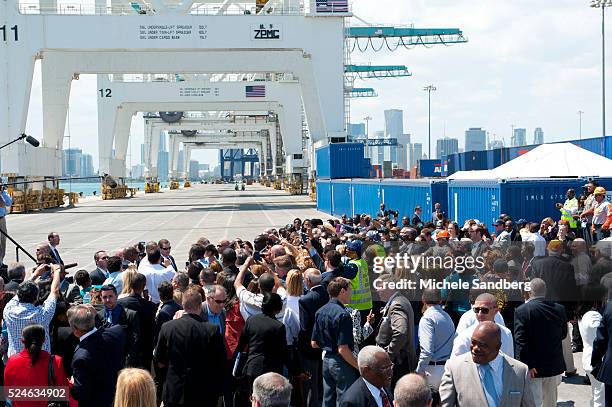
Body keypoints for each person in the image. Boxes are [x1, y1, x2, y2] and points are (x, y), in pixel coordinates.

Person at [154, 288, 226, 406]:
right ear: (199, 305)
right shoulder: (211, 330)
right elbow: (220, 361)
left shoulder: (168, 327)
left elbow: (159, 360)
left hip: (174, 391)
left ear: (183, 305)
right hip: (203, 391)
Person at [439, 321, 535, 406]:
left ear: (498, 346)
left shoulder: (520, 371)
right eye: (473, 342)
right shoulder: (454, 367)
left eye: (483, 345)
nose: (475, 348)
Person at [514, 278, 567, 407]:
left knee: (534, 402)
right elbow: (564, 334)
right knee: (550, 401)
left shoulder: (522, 310)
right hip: (553, 363)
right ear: (545, 291)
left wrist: (528, 364)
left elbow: (520, 340)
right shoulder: (559, 309)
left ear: (530, 292)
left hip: (533, 367)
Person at [312, 277, 359, 406]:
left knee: (327, 400)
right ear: (342, 291)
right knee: (344, 400)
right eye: (349, 290)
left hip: (326, 361)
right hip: (341, 363)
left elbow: (314, 343)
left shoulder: (319, 311)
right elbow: (343, 349)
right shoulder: (343, 315)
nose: (351, 293)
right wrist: (358, 366)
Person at [68, 304, 126, 407]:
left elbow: (81, 393)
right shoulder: (116, 333)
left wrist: (73, 384)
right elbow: (112, 327)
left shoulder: (81, 357)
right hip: (117, 398)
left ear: (76, 331)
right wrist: (97, 315)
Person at [4, 324, 70, 407]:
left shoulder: (11, 361)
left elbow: (8, 392)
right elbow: (63, 392)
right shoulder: (56, 361)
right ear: (44, 340)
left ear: (22, 340)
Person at [237, 292, 292, 389]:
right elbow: (284, 353)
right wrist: (296, 371)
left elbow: (241, 345)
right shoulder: (278, 326)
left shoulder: (251, 320)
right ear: (278, 307)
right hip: (271, 372)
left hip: (252, 368)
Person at [4, 264, 60, 356]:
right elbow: (55, 291)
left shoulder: (9, 310)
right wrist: (57, 270)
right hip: (41, 362)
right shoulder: (43, 314)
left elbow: (20, 291)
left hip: (16, 362)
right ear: (36, 298)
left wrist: (34, 275)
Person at [375, 274, 416, 389]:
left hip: (398, 364)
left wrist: (388, 355)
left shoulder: (397, 304)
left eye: (380, 286)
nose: (377, 290)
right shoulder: (399, 300)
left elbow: (401, 332)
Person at [298, 268, 329, 407]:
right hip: (328, 345)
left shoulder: (305, 300)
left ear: (308, 281)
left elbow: (304, 328)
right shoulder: (329, 294)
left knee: (311, 385)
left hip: (310, 348)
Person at [451, 293, 514, 358]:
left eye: (484, 310)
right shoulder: (465, 337)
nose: (480, 314)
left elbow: (510, 361)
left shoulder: (506, 333)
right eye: (476, 310)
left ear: (495, 311)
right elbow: (455, 363)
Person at [415, 288, 455, 390]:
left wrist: (419, 371)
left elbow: (427, 351)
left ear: (423, 300)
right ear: (440, 300)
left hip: (432, 372)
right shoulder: (447, 316)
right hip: (448, 370)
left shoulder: (427, 318)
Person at [117, 273, 155, 371]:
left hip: (126, 348)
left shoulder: (120, 303)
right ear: (143, 287)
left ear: (130, 285)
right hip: (144, 349)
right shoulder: (150, 306)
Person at [577, 284, 606, 407]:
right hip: (596, 360)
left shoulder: (584, 313)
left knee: (596, 394)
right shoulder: (593, 315)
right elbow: (599, 339)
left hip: (589, 358)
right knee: (600, 398)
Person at [98, 284, 140, 367]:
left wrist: (128, 362)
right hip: (105, 363)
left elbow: (135, 341)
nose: (108, 300)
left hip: (124, 362)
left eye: (110, 296)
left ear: (116, 296)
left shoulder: (130, 315)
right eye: (104, 297)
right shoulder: (99, 316)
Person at [345, 240, 373, 317]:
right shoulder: (362, 262)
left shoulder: (352, 266)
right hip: (366, 304)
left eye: (349, 248)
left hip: (355, 306)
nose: (346, 249)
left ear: (354, 252)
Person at [0, 186, 12, 267]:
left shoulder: (2, 193)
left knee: (3, 240)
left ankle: (1, 261)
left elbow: (8, 202)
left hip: (1, 218)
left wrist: (2, 192)